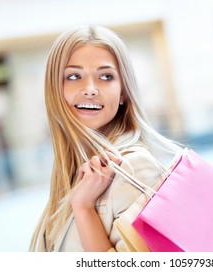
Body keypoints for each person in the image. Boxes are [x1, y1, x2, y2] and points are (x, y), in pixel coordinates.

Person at [29, 26, 182, 252]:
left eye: (105, 76)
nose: (90, 89)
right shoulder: (68, 175)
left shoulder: (133, 168)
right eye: (73, 76)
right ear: (55, 89)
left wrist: (84, 209)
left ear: (123, 92)